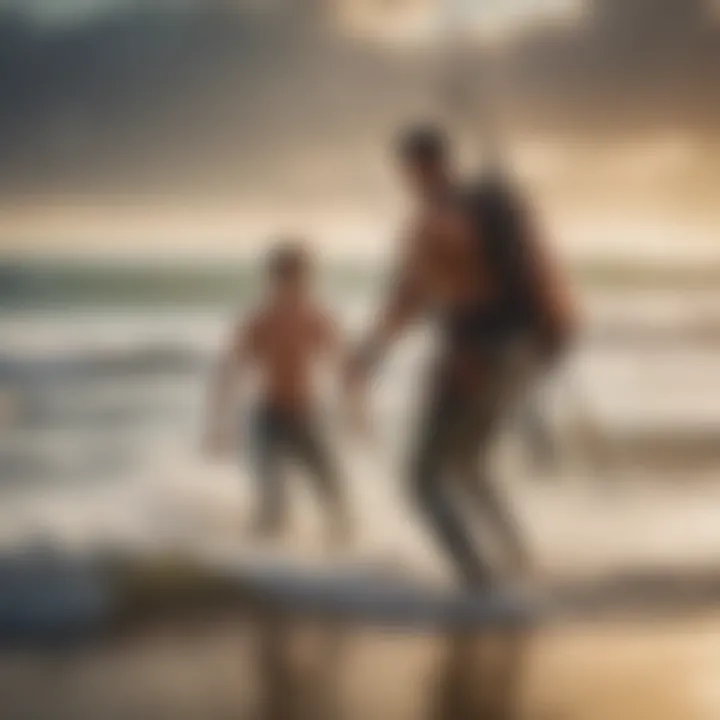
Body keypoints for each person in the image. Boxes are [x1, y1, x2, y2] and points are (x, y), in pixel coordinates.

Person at [347, 124, 576, 587]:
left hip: (476, 351)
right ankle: (521, 562)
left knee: (420, 477)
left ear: (415, 167)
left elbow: (411, 297)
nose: (406, 180)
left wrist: (371, 353)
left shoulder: (435, 221)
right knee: (469, 464)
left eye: (406, 170)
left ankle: (478, 583)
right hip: (522, 350)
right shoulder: (491, 207)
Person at [205, 241, 351, 545]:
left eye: (299, 276)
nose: (293, 285)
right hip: (269, 417)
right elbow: (229, 371)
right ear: (273, 279)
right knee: (272, 500)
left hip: (308, 414)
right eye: (285, 277)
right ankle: (266, 567)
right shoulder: (260, 321)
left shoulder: (317, 318)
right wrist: (218, 424)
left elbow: (343, 366)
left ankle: (343, 565)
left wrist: (356, 412)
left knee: (333, 493)